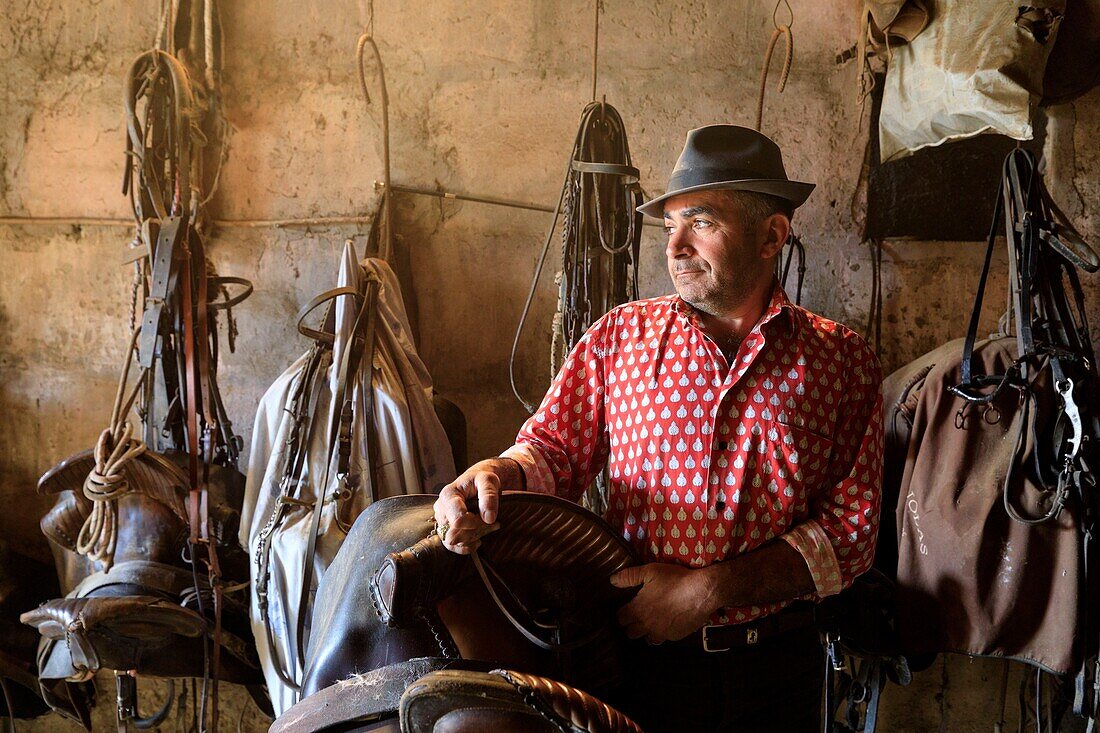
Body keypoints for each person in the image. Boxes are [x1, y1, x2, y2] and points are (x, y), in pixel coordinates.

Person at [433, 125, 883, 732]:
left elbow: (851, 535)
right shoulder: (619, 339)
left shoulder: (840, 359)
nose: (674, 248)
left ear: (772, 234)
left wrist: (710, 591)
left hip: (781, 668)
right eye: (668, 226)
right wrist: (494, 474)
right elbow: (550, 453)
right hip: (638, 664)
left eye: (700, 222)